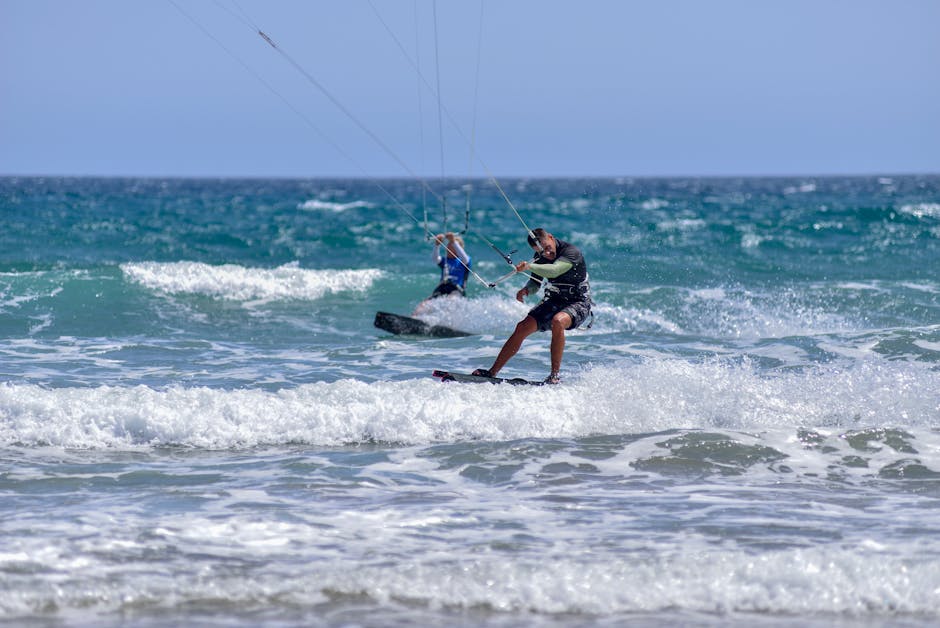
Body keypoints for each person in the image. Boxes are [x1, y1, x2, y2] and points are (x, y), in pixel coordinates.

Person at [472, 228, 591, 384]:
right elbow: (536, 283)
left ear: (550, 237)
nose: (546, 254)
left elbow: (555, 271)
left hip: (578, 302)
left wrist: (529, 266)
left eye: (547, 248)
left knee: (558, 321)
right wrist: (527, 290)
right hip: (555, 300)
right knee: (522, 327)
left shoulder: (571, 252)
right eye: (541, 252)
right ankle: (492, 372)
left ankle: (554, 376)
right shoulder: (539, 258)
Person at [412, 232, 471, 315]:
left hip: (456, 290)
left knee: (451, 301)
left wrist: (453, 241)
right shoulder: (444, 261)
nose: (448, 248)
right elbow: (435, 259)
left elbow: (465, 258)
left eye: (452, 246)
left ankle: (447, 323)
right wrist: (437, 245)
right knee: (424, 304)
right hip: (442, 288)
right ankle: (414, 318)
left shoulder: (464, 262)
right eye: (448, 246)